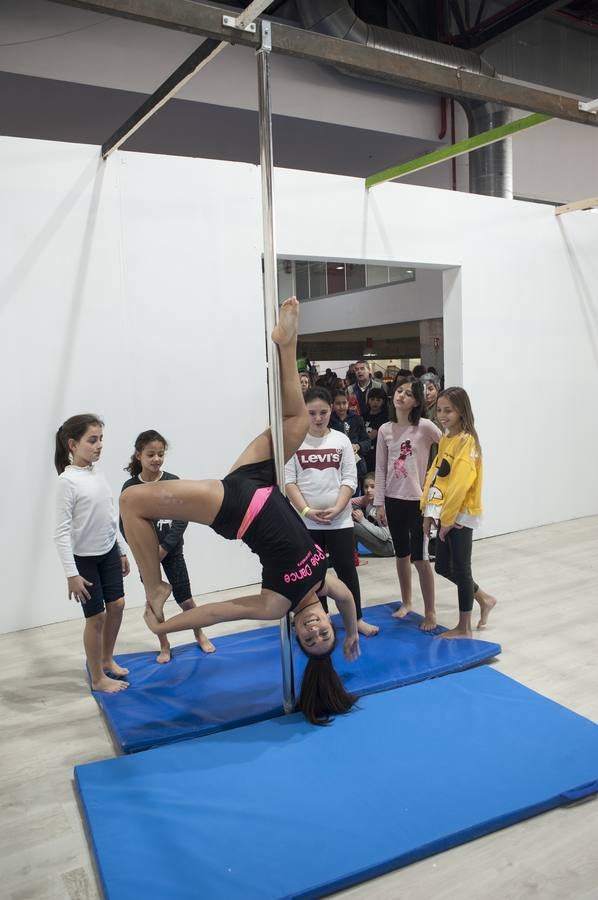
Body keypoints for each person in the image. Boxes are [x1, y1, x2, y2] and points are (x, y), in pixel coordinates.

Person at [121, 298, 360, 726]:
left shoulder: (275, 605)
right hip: (262, 482)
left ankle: (154, 587)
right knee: (297, 420)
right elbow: (347, 601)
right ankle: (288, 345)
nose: (314, 629)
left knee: (131, 502)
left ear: (297, 635)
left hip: (236, 509)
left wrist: (165, 627)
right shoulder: (327, 582)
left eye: (310, 638)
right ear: (326, 620)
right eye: (324, 630)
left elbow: (218, 611)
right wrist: (353, 634)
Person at [285, 386, 378, 638]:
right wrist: (305, 510)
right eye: (312, 412)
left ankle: (355, 618)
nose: (318, 418)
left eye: (323, 412)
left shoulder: (341, 440)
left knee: (346, 569)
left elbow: (349, 478)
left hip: (340, 520)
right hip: (306, 522)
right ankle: (321, 616)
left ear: (331, 411)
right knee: (313, 575)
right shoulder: (294, 441)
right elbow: (289, 481)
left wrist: (339, 507)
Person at [121, 430, 215, 663]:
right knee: (155, 601)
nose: (156, 459)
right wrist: (142, 551)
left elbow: (183, 517)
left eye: (160, 454)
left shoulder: (172, 481)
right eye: (150, 454)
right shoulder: (130, 486)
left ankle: (199, 633)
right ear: (138, 455)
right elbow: (124, 523)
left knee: (185, 599)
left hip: (172, 552)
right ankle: (164, 644)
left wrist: (164, 546)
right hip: (146, 557)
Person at [54, 414, 130, 693]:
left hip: (108, 552)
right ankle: (98, 677)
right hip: (84, 560)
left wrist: (120, 550)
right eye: (92, 440)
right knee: (95, 617)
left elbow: (108, 517)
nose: (99, 445)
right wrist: (71, 574)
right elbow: (61, 533)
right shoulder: (67, 481)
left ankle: (107, 657)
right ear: (73, 444)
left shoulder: (97, 474)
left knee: (118, 605)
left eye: (101, 440)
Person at [422, 387, 496, 638]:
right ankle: (483, 598)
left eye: (449, 410)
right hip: (446, 513)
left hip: (460, 515)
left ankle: (464, 627)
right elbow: (437, 477)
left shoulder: (466, 441)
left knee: (462, 568)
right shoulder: (446, 438)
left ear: (462, 412)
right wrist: (428, 511)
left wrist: (449, 519)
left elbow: (460, 483)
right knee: (442, 566)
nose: (443, 415)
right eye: (440, 410)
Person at [374, 377, 442, 631]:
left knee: (421, 559)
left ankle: (431, 611)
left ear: (417, 402)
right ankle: (406, 602)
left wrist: (435, 483)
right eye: (399, 391)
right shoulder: (385, 430)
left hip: (418, 502)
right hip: (393, 500)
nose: (401, 396)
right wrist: (379, 502)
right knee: (401, 555)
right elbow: (380, 468)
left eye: (408, 394)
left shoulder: (425, 427)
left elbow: (447, 449)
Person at [329, 388, 371, 481]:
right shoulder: (329, 421)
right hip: (335, 466)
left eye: (344, 403)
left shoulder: (357, 419)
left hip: (356, 465)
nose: (341, 406)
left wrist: (358, 446)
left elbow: (367, 441)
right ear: (332, 405)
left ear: (348, 403)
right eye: (338, 403)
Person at [352, 472, 394, 558]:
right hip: (378, 540)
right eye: (366, 487)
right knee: (352, 507)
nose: (369, 490)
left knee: (350, 525)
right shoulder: (367, 499)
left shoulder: (383, 507)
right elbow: (348, 502)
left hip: (389, 546)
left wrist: (362, 520)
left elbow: (384, 536)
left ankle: (351, 555)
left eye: (372, 487)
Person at [363, 387, 389, 472]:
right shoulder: (364, 415)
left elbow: (372, 436)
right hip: (365, 454)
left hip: (378, 455)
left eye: (378, 400)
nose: (375, 402)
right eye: (372, 399)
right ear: (368, 400)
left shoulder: (385, 418)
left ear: (383, 401)